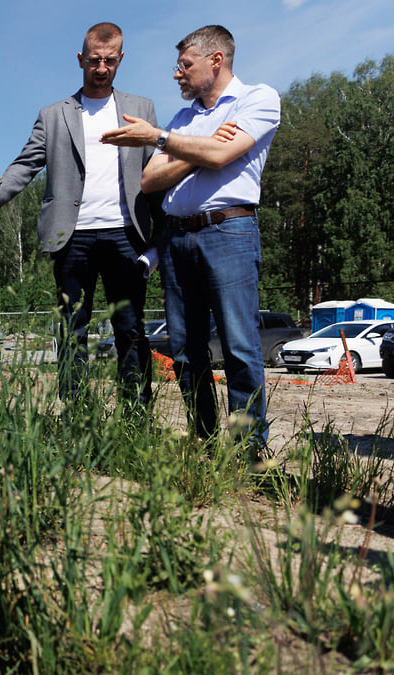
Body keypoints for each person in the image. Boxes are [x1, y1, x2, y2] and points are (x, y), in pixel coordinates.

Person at [101, 25, 280, 451]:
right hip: (178, 242)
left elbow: (222, 155)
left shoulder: (258, 98)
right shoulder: (186, 119)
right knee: (184, 351)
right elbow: (149, 180)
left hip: (229, 232)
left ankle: (247, 452)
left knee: (239, 347)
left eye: (185, 65)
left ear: (215, 60)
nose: (177, 75)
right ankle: (202, 441)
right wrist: (197, 147)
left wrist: (163, 140)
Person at [0, 22, 161, 408]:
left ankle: (136, 416)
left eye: (110, 60)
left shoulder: (141, 109)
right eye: (94, 60)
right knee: (72, 328)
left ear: (121, 59)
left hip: (127, 234)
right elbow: (28, 162)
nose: (102, 67)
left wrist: (165, 232)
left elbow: (156, 168)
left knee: (130, 328)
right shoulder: (54, 115)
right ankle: (76, 415)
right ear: (81, 59)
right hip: (72, 238)